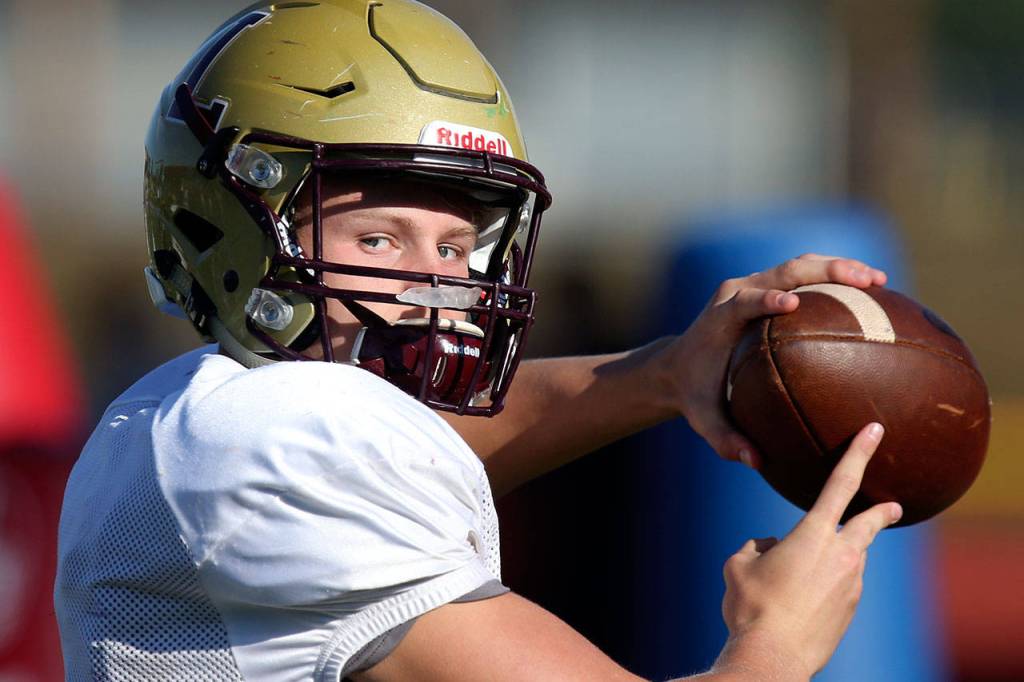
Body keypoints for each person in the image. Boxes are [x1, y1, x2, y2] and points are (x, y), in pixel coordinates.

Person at [54, 1, 901, 680]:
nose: (435, 290)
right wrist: (775, 647)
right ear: (224, 229)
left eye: (457, 248)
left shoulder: (190, 415)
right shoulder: (267, 443)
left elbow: (413, 445)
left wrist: (669, 372)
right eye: (379, 240)